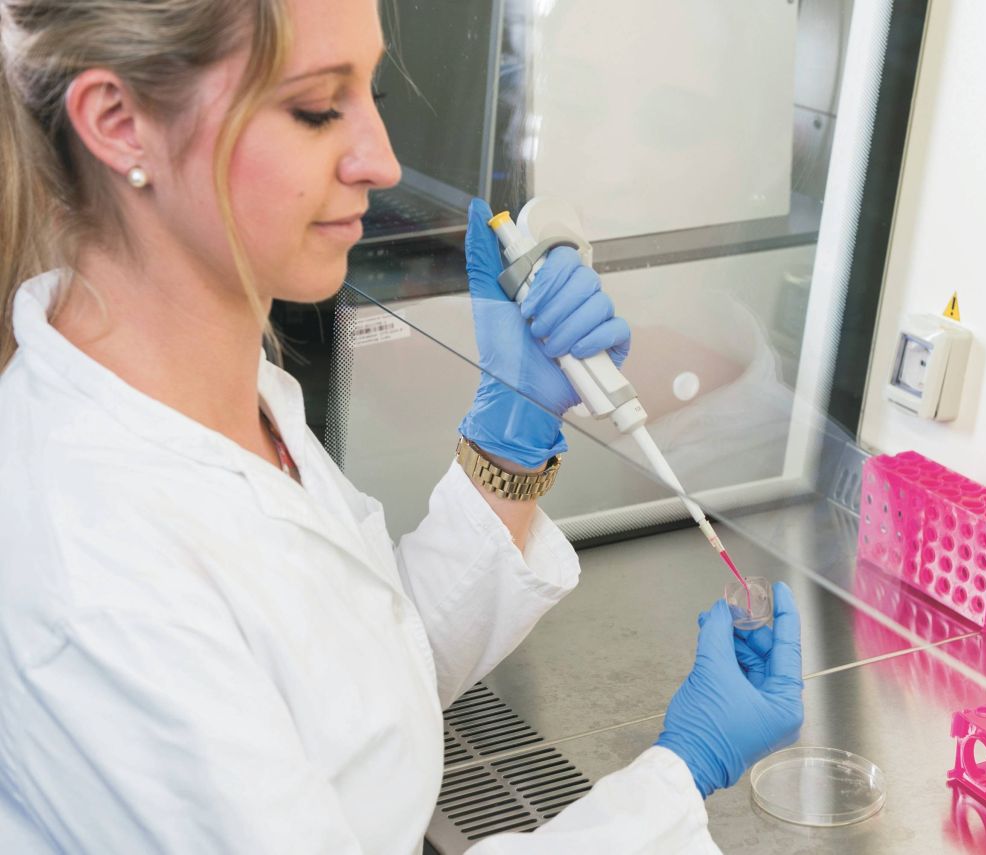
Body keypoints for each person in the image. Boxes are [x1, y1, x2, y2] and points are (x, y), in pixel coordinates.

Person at [0, 1, 804, 853]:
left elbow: (353, 685)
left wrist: (514, 431)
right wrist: (672, 780)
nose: (382, 160)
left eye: (372, 90)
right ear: (119, 124)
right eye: (317, 108)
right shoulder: (96, 570)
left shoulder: (224, 397)